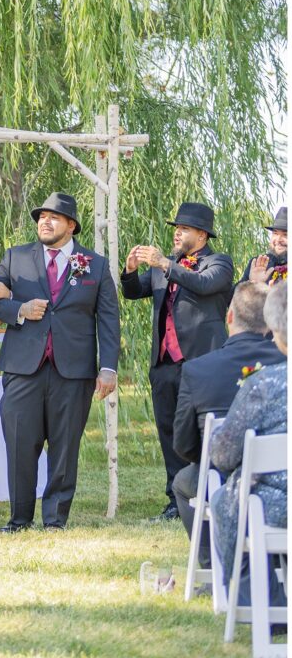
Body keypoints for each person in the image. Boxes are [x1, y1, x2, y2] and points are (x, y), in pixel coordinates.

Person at [0, 192, 120, 532]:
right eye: (42, 216)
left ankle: (55, 520)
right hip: (22, 368)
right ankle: (19, 519)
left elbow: (109, 319)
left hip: (73, 372)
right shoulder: (15, 258)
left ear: (71, 225)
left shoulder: (95, 265)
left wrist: (108, 367)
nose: (45, 221)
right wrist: (19, 310)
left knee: (64, 446)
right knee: (19, 444)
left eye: (54, 217)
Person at [120, 201, 233, 521]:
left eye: (183, 229)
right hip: (164, 363)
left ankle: (213, 492)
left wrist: (166, 265)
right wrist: (130, 271)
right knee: (169, 430)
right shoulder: (164, 265)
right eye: (175, 229)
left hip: (201, 362)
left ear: (201, 234)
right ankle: (175, 499)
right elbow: (133, 292)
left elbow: (204, 285)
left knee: (203, 431)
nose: (177, 234)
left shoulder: (219, 263)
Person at [172, 282, 286, 569]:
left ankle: (214, 565)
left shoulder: (198, 369)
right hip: (284, 481)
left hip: (221, 479)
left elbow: (185, 446)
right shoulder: (283, 364)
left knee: (183, 482)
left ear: (230, 317)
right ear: (271, 323)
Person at [209, 283, 287, 607]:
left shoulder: (265, 384)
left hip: (279, 507)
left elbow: (224, 455)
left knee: (225, 500)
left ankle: (258, 600)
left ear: (277, 332)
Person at [236, 206, 287, 287]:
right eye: (275, 233)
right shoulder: (258, 263)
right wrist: (253, 283)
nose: (278, 239)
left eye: (285, 235)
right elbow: (233, 297)